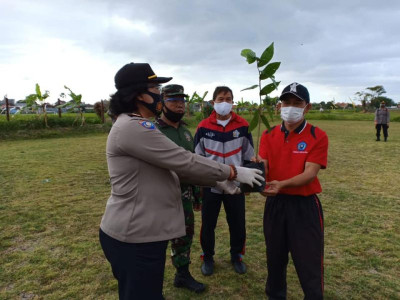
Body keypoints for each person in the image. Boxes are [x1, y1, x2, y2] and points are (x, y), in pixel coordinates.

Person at [98, 63, 264, 300]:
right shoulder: (134, 128)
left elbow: (175, 170)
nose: (159, 94)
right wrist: (232, 172)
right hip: (133, 237)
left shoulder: (134, 125)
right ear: (138, 94)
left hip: (141, 234)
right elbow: (184, 160)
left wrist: (216, 182)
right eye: (155, 88)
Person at [258, 82, 328, 299]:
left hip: (304, 206)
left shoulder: (318, 135)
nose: (291, 107)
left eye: (297, 103)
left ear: (307, 107)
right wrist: (259, 181)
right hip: (276, 205)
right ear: (279, 106)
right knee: (275, 259)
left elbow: (310, 174)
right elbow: (265, 167)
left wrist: (282, 184)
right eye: (286, 102)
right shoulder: (268, 135)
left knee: (309, 262)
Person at [194, 86, 255, 276]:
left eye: (228, 99)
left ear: (233, 102)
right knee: (208, 223)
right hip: (211, 185)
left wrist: (246, 184)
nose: (224, 103)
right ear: (213, 103)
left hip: (235, 185)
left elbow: (248, 156)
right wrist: (203, 184)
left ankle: (236, 256)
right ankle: (208, 257)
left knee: (237, 223)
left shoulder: (243, 125)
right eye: (220, 99)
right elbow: (197, 158)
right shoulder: (203, 127)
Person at [154, 84, 205, 293]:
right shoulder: (153, 131)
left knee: (184, 235)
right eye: (173, 100)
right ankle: (152, 282)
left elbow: (193, 163)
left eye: (182, 100)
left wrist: (197, 195)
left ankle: (182, 275)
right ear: (162, 103)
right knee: (156, 240)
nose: (179, 105)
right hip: (159, 196)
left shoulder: (185, 131)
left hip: (183, 194)